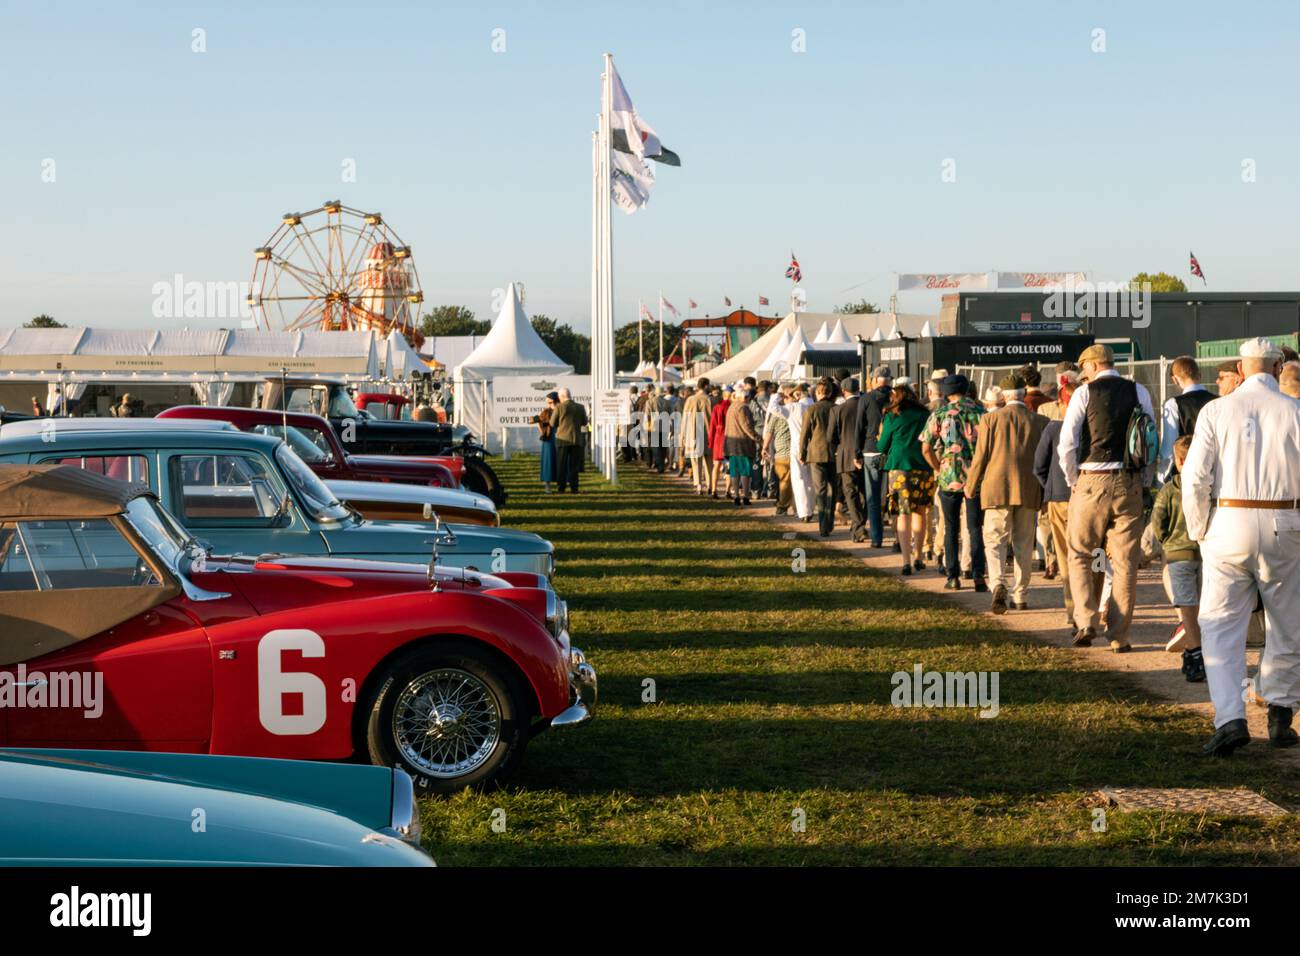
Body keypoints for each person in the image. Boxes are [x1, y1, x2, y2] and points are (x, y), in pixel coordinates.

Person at [1183, 337, 1300, 756]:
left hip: (1228, 521)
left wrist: (1200, 530)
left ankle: (1230, 718)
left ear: (1241, 367)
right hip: (1284, 521)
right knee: (1287, 624)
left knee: (1219, 624)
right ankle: (1280, 711)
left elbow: (1195, 477)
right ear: (1275, 368)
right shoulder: (1295, 410)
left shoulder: (1216, 409)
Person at [1058, 343, 1156, 652]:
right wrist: (1145, 480)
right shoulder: (1139, 391)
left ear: (1090, 366)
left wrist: (1075, 480)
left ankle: (1086, 619)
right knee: (1125, 562)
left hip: (1091, 479)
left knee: (1081, 553)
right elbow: (1149, 437)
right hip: (1128, 480)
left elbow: (1068, 444)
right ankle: (1119, 636)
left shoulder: (1084, 394)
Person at [966, 373, 1047, 613]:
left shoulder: (990, 420)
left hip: (996, 488)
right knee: (1023, 543)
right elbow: (1044, 461)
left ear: (1003, 396)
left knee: (995, 540)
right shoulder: (1039, 421)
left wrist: (971, 485)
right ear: (1024, 394)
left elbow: (981, 457)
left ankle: (998, 582)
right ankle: (1020, 595)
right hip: (1029, 489)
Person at [1033, 371, 1099, 636]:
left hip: (1060, 498)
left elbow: (1039, 466)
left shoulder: (1053, 428)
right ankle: (1093, 606)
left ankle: (1074, 611)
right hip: (1091, 495)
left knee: (1066, 557)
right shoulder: (1095, 428)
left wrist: (1050, 486)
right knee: (1094, 555)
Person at [921, 374, 987, 591]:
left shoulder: (939, 413)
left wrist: (938, 468)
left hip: (948, 475)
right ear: (967, 389)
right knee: (975, 527)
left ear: (946, 392)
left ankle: (953, 576)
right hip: (976, 476)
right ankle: (978, 576)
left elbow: (926, 447)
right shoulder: (981, 413)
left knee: (950, 528)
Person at [1150, 435, 1206, 683]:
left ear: (1179, 461)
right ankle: (1192, 650)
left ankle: (1195, 656)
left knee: (1186, 608)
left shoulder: (1169, 491)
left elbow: (1157, 523)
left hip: (1177, 555)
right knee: (1203, 607)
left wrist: (1166, 543)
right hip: (1205, 554)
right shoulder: (1210, 487)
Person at [878, 382, 934, 574]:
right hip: (923, 467)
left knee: (903, 514)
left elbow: (882, 446)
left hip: (900, 468)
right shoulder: (926, 415)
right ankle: (919, 556)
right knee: (920, 511)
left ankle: (905, 560)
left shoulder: (892, 417)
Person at [1158, 356, 1214, 481]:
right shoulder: (1218, 401)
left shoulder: (1174, 404)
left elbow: (1169, 447)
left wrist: (1162, 478)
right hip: (1214, 470)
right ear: (1199, 375)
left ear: (1175, 380)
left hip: (1188, 471)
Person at [856, 366, 894, 548]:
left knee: (873, 498)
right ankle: (899, 537)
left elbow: (859, 426)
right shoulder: (896, 397)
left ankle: (877, 538)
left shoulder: (866, 398)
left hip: (871, 449)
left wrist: (857, 452)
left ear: (875, 379)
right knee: (893, 495)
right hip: (892, 451)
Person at [830, 377, 867, 542]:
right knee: (866, 493)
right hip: (866, 453)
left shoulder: (837, 410)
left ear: (844, 391)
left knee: (850, 493)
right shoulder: (866, 406)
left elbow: (831, 437)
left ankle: (858, 525)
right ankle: (859, 525)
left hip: (845, 456)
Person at [800, 378, 837, 536]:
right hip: (834, 453)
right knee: (832, 489)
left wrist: (802, 453)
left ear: (818, 392)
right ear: (829, 393)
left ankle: (823, 525)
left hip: (816, 453)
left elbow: (805, 434)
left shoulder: (811, 409)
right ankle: (829, 522)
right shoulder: (836, 408)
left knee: (820, 490)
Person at [724, 387, 760, 505]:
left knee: (734, 472)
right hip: (743, 445)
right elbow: (747, 427)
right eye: (749, 397)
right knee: (745, 472)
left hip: (731, 445)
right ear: (745, 397)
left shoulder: (731, 407)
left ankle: (736, 496)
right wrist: (758, 438)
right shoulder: (743, 408)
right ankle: (745, 495)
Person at [786, 385, 816, 522]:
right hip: (815, 446)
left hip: (798, 445)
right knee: (812, 480)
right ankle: (811, 508)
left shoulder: (794, 407)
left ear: (797, 394)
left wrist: (779, 396)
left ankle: (804, 511)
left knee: (799, 480)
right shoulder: (815, 405)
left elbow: (774, 409)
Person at [762, 390, 794, 515]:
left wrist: (764, 448)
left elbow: (769, 432)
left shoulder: (777, 413)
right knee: (794, 480)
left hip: (781, 452)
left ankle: (782, 506)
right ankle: (793, 506)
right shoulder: (798, 411)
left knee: (784, 481)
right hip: (794, 451)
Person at [551, 387, 588, 494]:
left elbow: (552, 423)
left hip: (562, 440)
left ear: (562, 396)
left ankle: (561, 488)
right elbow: (585, 422)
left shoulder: (559, 407)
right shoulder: (580, 407)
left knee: (561, 465)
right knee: (574, 466)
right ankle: (574, 488)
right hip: (576, 440)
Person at [682, 377, 713, 494]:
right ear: (706, 386)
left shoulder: (690, 400)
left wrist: (683, 436)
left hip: (694, 433)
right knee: (709, 461)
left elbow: (685, 419)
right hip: (709, 433)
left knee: (696, 462)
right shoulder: (710, 400)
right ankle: (710, 486)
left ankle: (699, 486)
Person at [708, 386, 731, 498]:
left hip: (718, 437)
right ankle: (727, 491)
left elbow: (712, 426)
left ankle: (714, 490)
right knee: (729, 466)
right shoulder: (732, 407)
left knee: (716, 465)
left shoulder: (717, 407)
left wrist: (711, 442)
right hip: (730, 437)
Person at [537, 391, 558, 493]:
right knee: (548, 462)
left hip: (558, 438)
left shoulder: (561, 410)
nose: (547, 403)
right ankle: (547, 485)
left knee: (559, 461)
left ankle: (560, 484)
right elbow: (539, 424)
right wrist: (543, 433)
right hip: (549, 440)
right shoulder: (545, 412)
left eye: (548, 401)